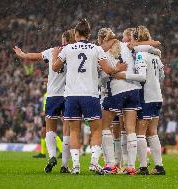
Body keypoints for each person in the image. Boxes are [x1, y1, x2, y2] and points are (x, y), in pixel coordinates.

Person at [53, 19, 127, 175]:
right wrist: (117, 68)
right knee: (96, 130)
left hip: (72, 95)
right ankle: (94, 163)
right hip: (90, 94)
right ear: (89, 34)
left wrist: (56, 56)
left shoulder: (68, 48)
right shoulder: (96, 49)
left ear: (75, 34)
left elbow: (55, 67)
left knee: (74, 131)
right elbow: (107, 70)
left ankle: (76, 166)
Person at [13, 29, 76, 173]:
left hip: (53, 95)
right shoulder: (76, 53)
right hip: (69, 94)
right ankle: (65, 166)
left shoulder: (53, 50)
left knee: (49, 127)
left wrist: (23, 54)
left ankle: (52, 156)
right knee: (67, 130)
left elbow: (35, 56)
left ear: (63, 39)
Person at [116, 25, 166, 175]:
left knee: (141, 132)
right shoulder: (156, 56)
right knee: (153, 132)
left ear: (136, 39)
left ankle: (143, 167)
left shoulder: (140, 55)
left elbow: (142, 77)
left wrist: (124, 75)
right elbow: (162, 76)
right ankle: (159, 166)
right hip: (157, 95)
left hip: (146, 96)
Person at [98, 27, 142, 175]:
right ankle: (130, 167)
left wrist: (114, 72)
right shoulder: (127, 46)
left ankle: (111, 165)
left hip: (116, 91)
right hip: (134, 90)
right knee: (130, 129)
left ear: (101, 40)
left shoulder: (102, 52)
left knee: (104, 126)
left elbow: (104, 76)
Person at [32, 76, 48, 158]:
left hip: (51, 115)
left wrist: (46, 111)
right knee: (44, 133)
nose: (44, 83)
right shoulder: (46, 93)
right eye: (44, 82)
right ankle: (42, 153)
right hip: (47, 115)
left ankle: (43, 153)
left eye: (46, 81)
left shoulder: (51, 93)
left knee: (47, 133)